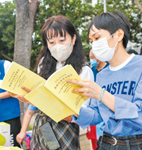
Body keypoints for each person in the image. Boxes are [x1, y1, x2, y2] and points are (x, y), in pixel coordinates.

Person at [12, 15, 94, 150]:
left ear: (73, 39)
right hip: (42, 127)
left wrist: (44, 103)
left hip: (66, 129)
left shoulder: (84, 71)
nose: (57, 46)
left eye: (62, 40)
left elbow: (83, 113)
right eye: (51, 42)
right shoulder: (44, 64)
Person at [67, 10, 142, 150]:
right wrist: (74, 111)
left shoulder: (139, 67)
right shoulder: (102, 75)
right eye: (91, 41)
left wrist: (102, 95)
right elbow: (97, 115)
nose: (94, 45)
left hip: (135, 144)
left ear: (119, 35)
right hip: (105, 143)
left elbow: (139, 116)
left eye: (97, 38)